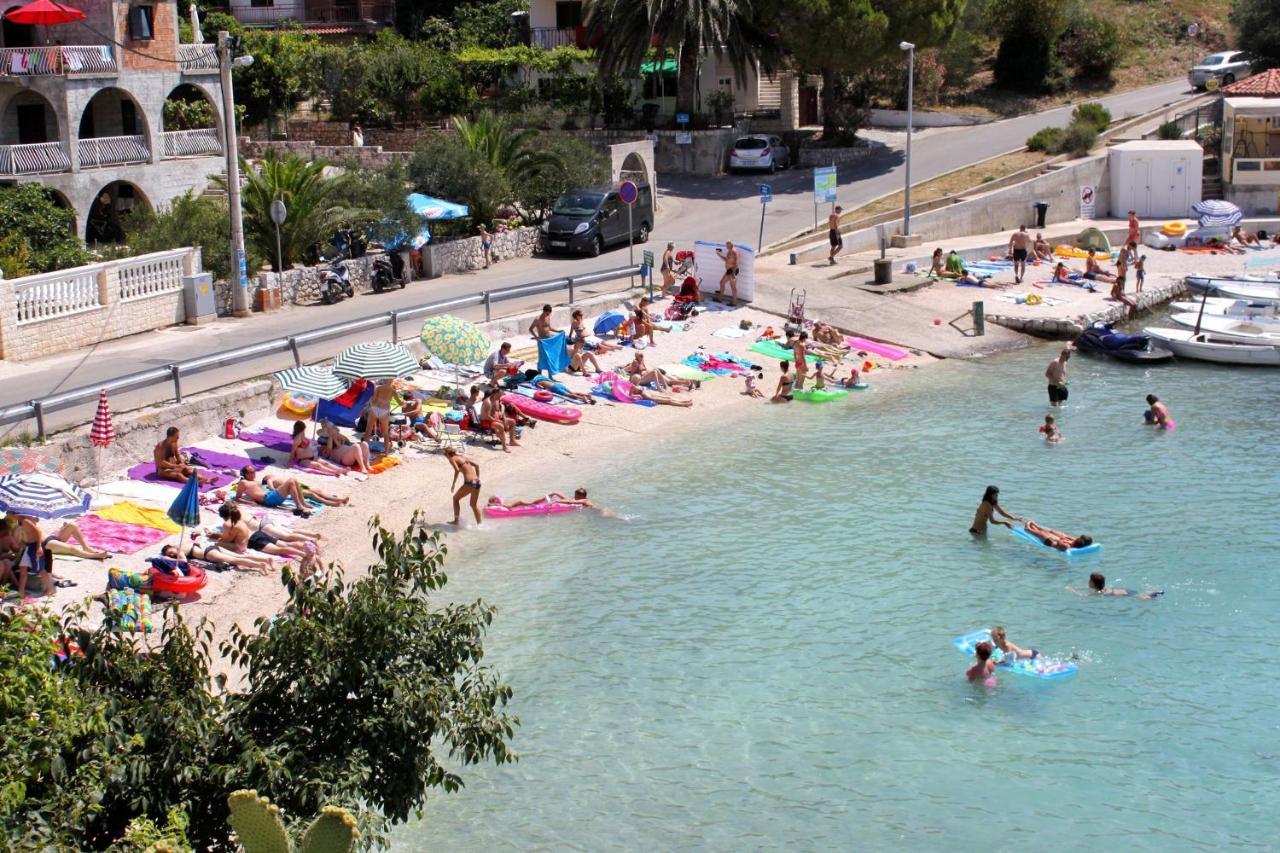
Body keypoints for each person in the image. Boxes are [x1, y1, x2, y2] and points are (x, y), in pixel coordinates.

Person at [215, 503, 316, 573]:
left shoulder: (228, 524)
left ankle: (302, 553)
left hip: (254, 540)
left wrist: (218, 538)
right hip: (259, 533)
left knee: (278, 550)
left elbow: (228, 539)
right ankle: (305, 545)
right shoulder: (238, 518)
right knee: (285, 544)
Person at [236, 465, 348, 515]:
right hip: (268, 499)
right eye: (251, 472)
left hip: (271, 496)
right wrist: (250, 502)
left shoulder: (256, 481)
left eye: (254, 471)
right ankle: (300, 506)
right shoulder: (243, 482)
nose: (254, 473)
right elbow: (237, 498)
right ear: (245, 474)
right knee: (291, 481)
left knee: (293, 481)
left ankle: (302, 503)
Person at [161, 541, 274, 575]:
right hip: (212, 547)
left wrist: (170, 559)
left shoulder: (179, 550)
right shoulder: (181, 543)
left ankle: (260, 565)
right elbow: (197, 542)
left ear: (172, 547)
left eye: (170, 552)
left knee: (235, 560)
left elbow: (183, 561)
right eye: (169, 555)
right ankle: (266, 559)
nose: (171, 555)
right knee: (239, 556)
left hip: (208, 554)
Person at [444, 447, 482, 526]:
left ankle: (456, 521)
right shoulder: (463, 457)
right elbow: (477, 465)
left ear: (448, 454)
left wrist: (454, 483)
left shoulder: (452, 459)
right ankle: (480, 525)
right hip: (477, 482)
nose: (446, 457)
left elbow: (457, 470)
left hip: (469, 483)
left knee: (455, 499)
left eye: (445, 455)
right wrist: (477, 478)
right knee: (473, 505)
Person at [480, 387, 520, 452]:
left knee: (512, 421)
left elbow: (499, 411)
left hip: (494, 419)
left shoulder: (496, 400)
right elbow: (487, 416)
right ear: (495, 394)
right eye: (499, 394)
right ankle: (504, 447)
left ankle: (512, 441)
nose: (501, 396)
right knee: (500, 426)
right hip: (486, 421)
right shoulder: (488, 402)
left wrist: (504, 419)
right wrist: (498, 421)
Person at [1071, 571, 1163, 599]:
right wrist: (1078, 587)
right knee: (1139, 594)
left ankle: (1153, 594)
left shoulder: (1099, 592)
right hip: (1126, 590)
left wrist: (1071, 590)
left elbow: (1083, 596)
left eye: (1089, 580)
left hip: (1127, 594)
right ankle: (1153, 592)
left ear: (1093, 583)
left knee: (1140, 597)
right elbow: (1087, 588)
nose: (1088, 582)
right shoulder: (1104, 588)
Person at [1023, 519, 1093, 551]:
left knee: (1044, 534)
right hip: (1053, 540)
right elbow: (1066, 538)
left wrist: (1064, 540)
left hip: (1049, 542)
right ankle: (1036, 527)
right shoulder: (1076, 544)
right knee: (1055, 534)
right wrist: (1065, 539)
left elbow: (1060, 543)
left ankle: (1028, 528)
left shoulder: (1067, 546)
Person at [366, 378, 397, 444]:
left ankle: (364, 450)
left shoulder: (379, 388)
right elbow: (400, 403)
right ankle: (386, 453)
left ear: (385, 380)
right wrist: (403, 403)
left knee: (368, 430)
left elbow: (373, 400)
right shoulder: (393, 390)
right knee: (385, 433)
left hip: (375, 409)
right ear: (392, 381)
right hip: (384, 411)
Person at [715, 241, 739, 306]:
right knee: (723, 283)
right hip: (729, 271)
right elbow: (727, 260)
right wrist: (719, 255)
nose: (727, 247)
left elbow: (736, 263)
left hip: (731, 271)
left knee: (731, 286)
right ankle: (721, 299)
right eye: (726, 246)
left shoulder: (734, 252)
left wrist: (733, 274)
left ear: (731, 245)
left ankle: (733, 302)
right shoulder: (729, 251)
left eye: (728, 246)